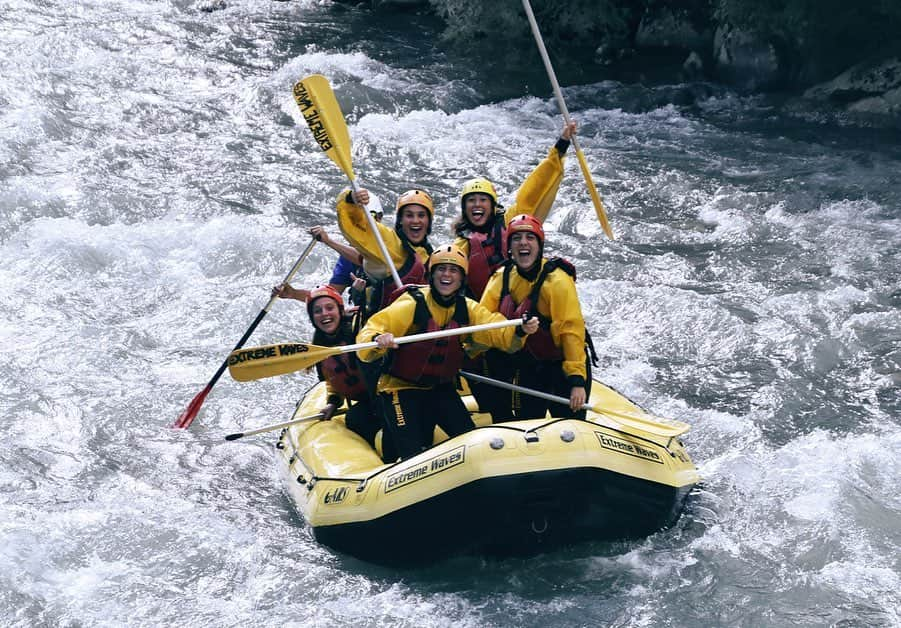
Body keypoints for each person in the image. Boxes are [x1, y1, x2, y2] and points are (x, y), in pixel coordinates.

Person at [356, 244, 539, 461]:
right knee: (410, 454)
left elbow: (495, 330)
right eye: (441, 269)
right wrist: (378, 339)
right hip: (400, 389)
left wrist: (520, 329)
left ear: (462, 278)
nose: (447, 275)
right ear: (432, 274)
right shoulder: (412, 304)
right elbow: (372, 329)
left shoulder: (467, 309)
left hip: (439, 388)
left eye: (454, 271)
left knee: (470, 443)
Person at [478, 214, 592, 421]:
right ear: (509, 247)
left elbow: (571, 331)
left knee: (570, 424)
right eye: (516, 238)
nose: (523, 243)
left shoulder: (557, 281)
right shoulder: (501, 278)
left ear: (539, 245)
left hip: (562, 366)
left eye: (530, 238)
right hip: (530, 365)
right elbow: (482, 322)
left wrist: (577, 382)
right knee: (526, 422)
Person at [452, 121, 577, 300]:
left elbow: (536, 187)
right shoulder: (460, 246)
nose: (477, 204)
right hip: (485, 307)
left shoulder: (512, 220)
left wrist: (562, 144)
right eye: (471, 201)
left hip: (521, 295)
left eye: (483, 200)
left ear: (493, 206)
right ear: (465, 209)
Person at [270, 283, 389, 459]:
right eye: (317, 311)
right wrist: (333, 402)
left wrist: (360, 293)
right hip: (367, 403)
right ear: (312, 318)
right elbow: (332, 380)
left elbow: (375, 309)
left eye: (329, 308)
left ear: (341, 311)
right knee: (355, 419)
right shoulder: (319, 348)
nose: (324, 314)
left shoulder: (360, 327)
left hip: (389, 394)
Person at [336, 187, 434, 317]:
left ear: (429, 220)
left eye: (421, 215)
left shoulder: (432, 254)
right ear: (400, 220)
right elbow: (355, 223)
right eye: (409, 215)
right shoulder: (387, 243)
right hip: (382, 329)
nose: (415, 220)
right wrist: (351, 199)